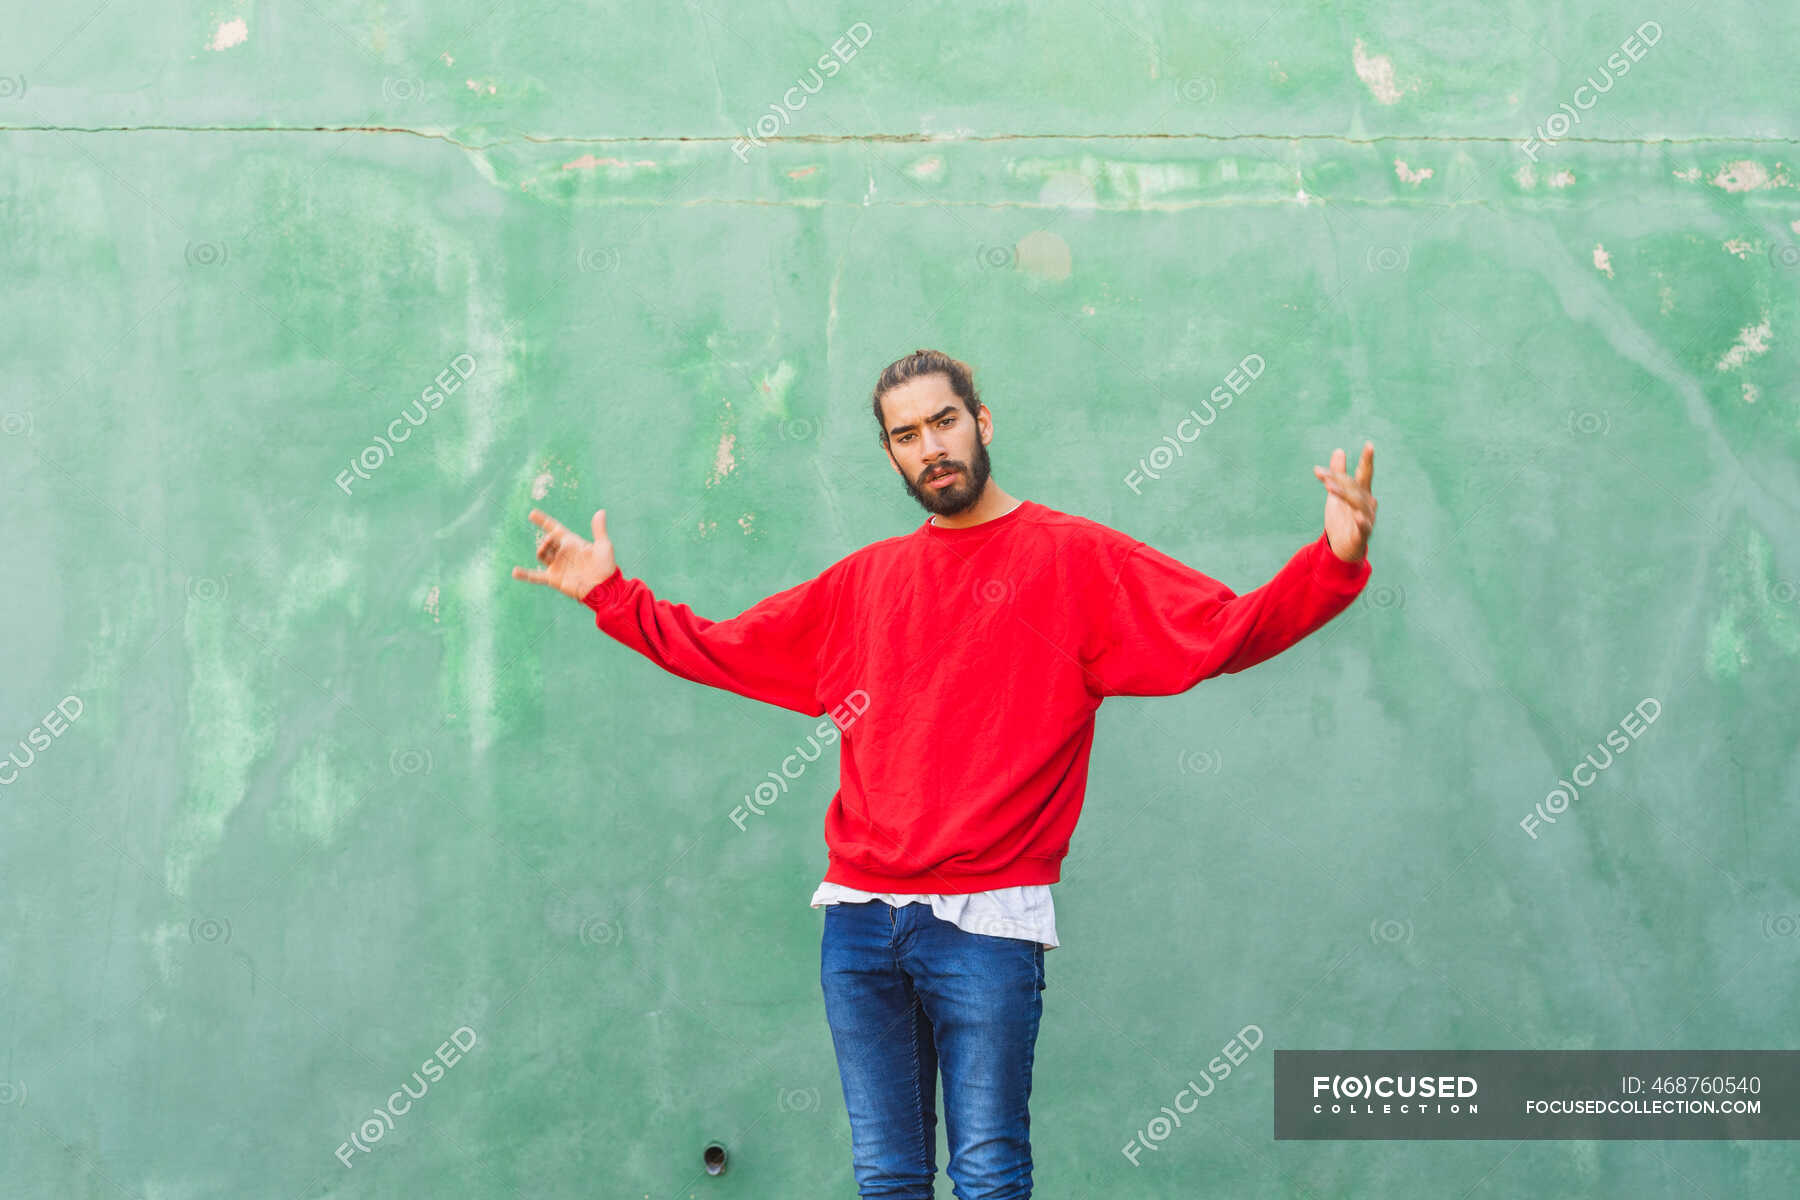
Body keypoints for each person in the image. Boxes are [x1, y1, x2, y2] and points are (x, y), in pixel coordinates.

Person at [511, 348, 1378, 1199]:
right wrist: (610, 597)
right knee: (888, 1177)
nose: (930, 446)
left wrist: (1332, 564)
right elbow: (728, 648)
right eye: (906, 435)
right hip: (857, 925)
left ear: (982, 421)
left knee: (989, 1175)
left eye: (944, 421)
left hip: (988, 922)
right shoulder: (868, 583)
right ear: (889, 453)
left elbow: (1223, 631)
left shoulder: (1076, 559)